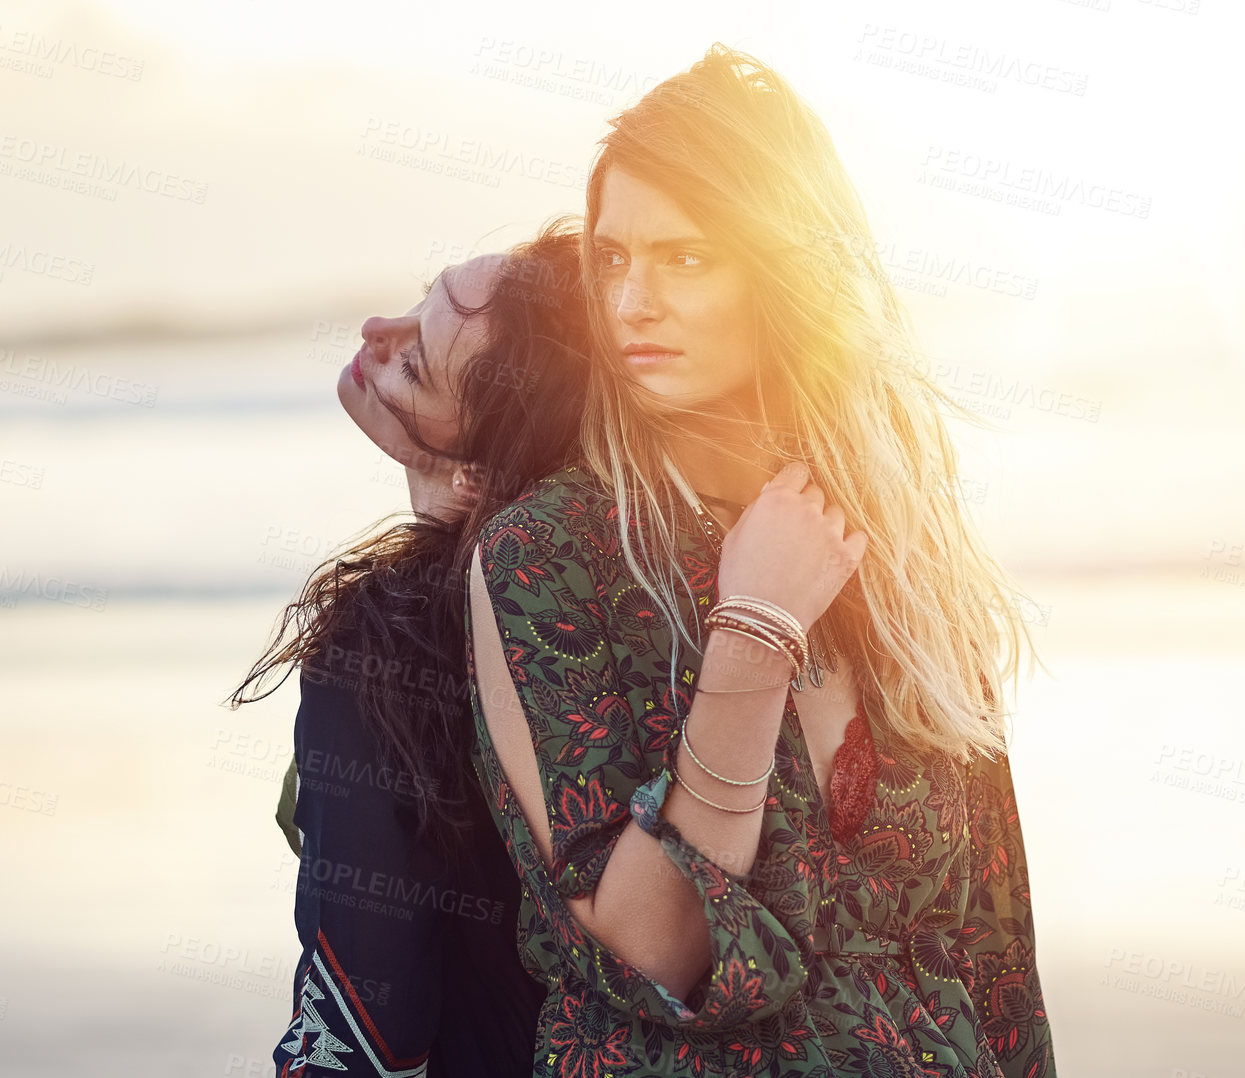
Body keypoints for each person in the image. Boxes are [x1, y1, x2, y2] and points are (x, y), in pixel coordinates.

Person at [464, 46, 1058, 1076]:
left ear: (783, 270)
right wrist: (754, 631)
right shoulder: (547, 556)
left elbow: (992, 954)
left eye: (685, 257)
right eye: (612, 258)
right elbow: (654, 947)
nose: (633, 301)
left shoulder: (906, 545)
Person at [228, 219, 595, 1076]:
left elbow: (360, 1032)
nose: (373, 334)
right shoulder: (618, 615)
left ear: (481, 472)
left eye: (414, 365)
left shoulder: (387, 648)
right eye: (414, 309)